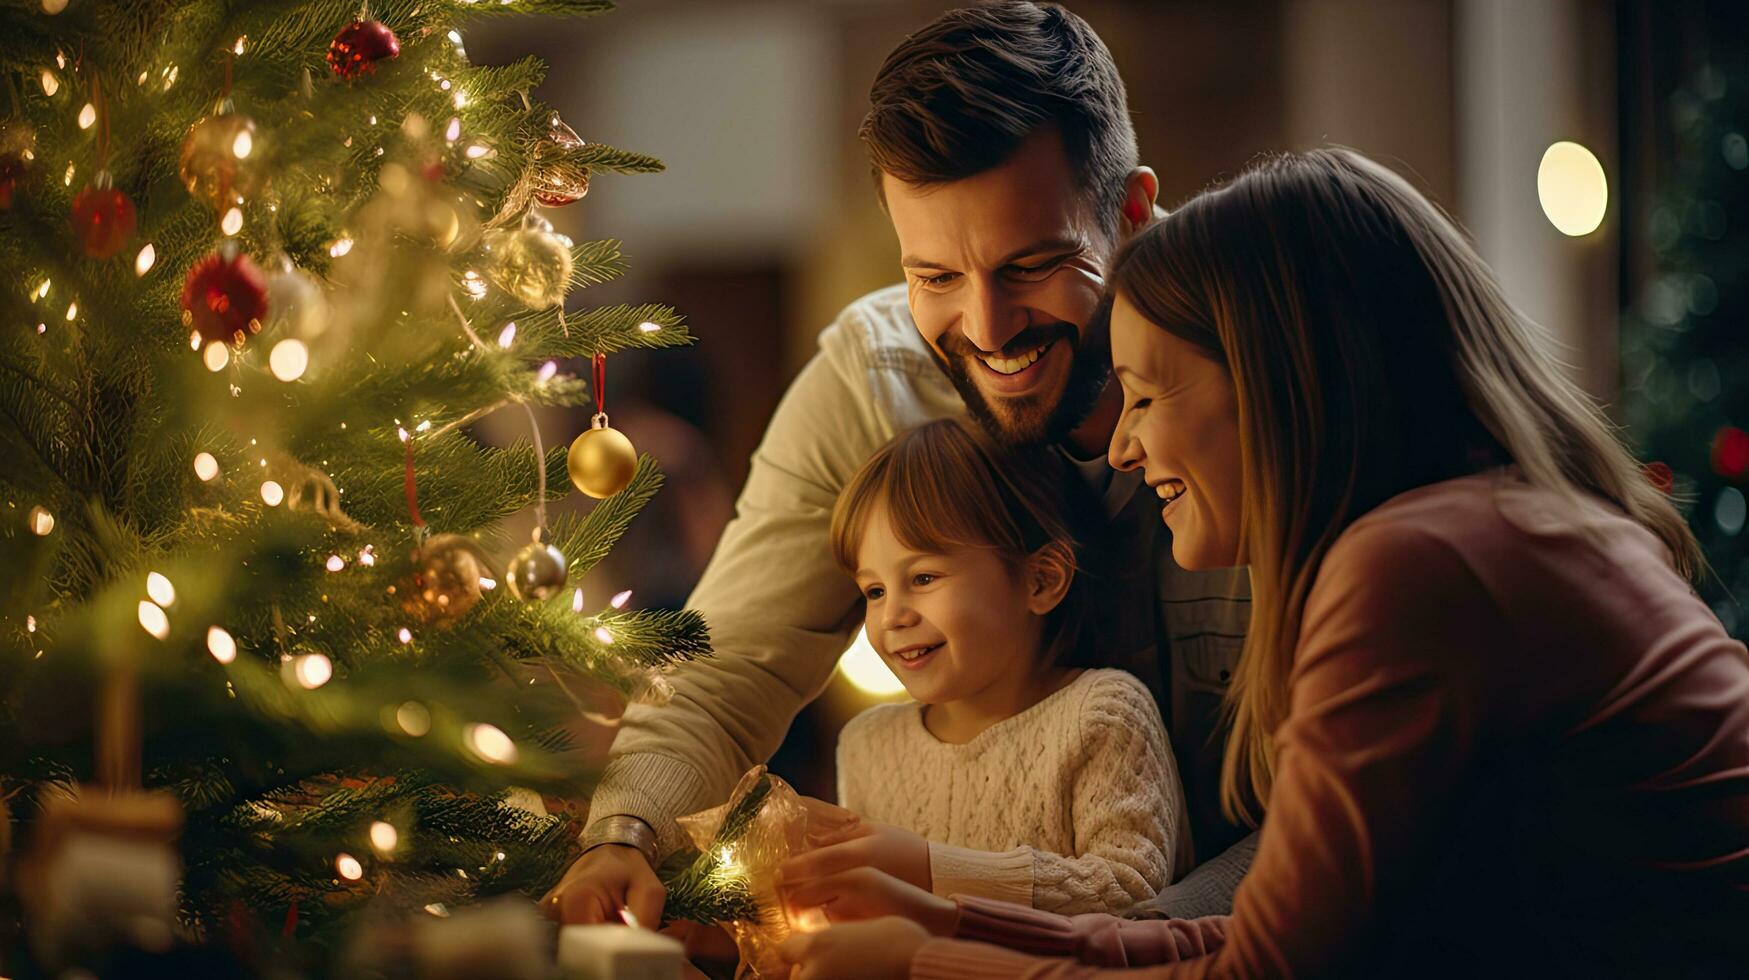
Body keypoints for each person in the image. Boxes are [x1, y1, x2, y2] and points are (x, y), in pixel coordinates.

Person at [775, 146, 1749, 979]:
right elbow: (1265, 933)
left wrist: (921, 958)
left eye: (1148, 397)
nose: (1120, 449)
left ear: (1281, 384)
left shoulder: (1417, 567)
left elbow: (1258, 970)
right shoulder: (1482, 527)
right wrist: (939, 921)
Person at [544, 1, 1255, 931]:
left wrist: (1110, 955)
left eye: (1032, 265)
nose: (989, 330)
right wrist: (623, 835)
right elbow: (726, 671)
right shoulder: (869, 383)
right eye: (935, 278)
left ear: (1128, 211)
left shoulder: (1266, 359)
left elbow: (1349, 804)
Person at [778, 417, 1188, 920]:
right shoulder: (868, 744)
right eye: (874, 591)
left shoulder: (1102, 714)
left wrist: (928, 867)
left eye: (923, 577)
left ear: (1040, 580)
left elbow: (1130, 888)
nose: (893, 617)